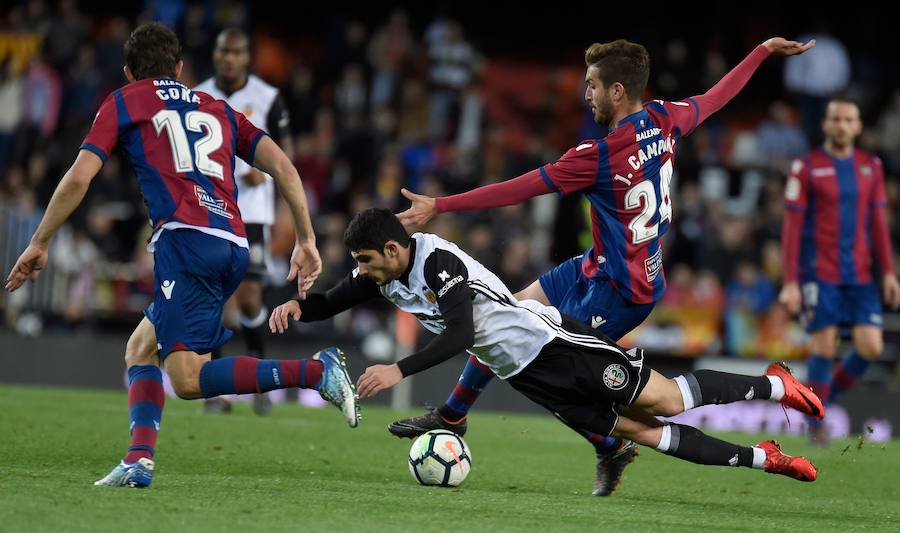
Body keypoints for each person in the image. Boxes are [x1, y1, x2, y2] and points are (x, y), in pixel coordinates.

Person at [392, 37, 814, 494]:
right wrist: (761, 52)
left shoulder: (598, 156)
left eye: (592, 85)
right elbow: (718, 97)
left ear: (617, 91)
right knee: (499, 314)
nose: (585, 94)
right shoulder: (665, 117)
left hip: (621, 293)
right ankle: (454, 414)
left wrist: (441, 204)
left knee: (554, 376)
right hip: (594, 266)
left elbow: (518, 189)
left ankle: (610, 444)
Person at [4, 23, 358, 489]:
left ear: (130, 72)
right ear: (180, 69)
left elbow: (78, 178)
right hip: (233, 243)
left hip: (185, 243)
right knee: (140, 349)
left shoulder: (125, 100)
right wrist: (306, 240)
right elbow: (285, 169)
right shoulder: (220, 109)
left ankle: (316, 371)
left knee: (188, 379)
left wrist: (41, 240)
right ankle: (138, 459)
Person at [270, 208, 823, 493]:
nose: (361, 272)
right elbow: (333, 299)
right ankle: (765, 458)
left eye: (367, 260)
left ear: (392, 248)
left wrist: (399, 369)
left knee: (667, 401)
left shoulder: (438, 264)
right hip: (528, 375)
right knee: (637, 432)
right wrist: (296, 305)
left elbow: (462, 334)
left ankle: (778, 384)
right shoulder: (383, 274)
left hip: (555, 344)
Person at [778, 97, 900, 445]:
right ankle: (816, 427)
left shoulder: (870, 166)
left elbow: (878, 223)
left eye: (849, 119)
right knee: (825, 344)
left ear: (858, 126)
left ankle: (821, 403)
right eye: (836, 119)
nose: (842, 125)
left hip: (860, 274)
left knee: (871, 347)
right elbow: (791, 226)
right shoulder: (807, 166)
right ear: (826, 124)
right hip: (820, 272)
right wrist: (790, 281)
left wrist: (889, 272)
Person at [194, 28, 294, 415]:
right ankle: (217, 390)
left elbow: (287, 153)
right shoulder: (197, 95)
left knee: (250, 296)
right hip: (209, 208)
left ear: (247, 57)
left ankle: (257, 378)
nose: (230, 59)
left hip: (251, 212)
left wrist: (267, 174)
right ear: (216, 56)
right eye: (224, 52)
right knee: (215, 298)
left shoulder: (268, 98)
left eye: (237, 52)